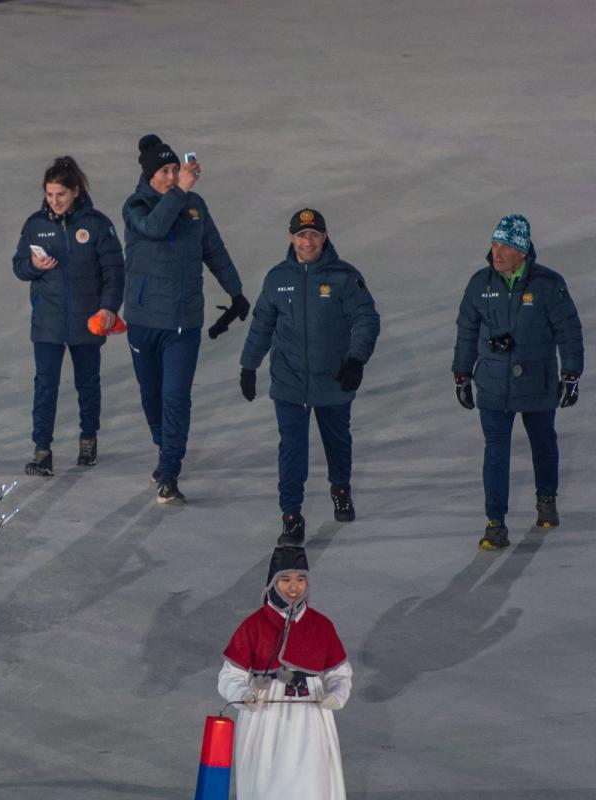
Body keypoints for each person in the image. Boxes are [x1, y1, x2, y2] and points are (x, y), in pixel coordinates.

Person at [239, 208, 380, 544]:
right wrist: (249, 365)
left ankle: (341, 488)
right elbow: (261, 324)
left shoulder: (345, 277)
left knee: (337, 441)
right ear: (291, 238)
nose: (308, 241)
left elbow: (366, 319)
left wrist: (356, 359)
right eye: (301, 235)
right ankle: (291, 516)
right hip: (289, 382)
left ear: (325, 237)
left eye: (314, 235)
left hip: (333, 379)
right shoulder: (278, 278)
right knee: (292, 450)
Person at [121, 134, 249, 504]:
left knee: (176, 396)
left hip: (183, 322)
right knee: (152, 395)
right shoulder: (135, 206)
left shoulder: (195, 206)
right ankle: (165, 449)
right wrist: (179, 193)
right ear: (149, 176)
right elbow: (155, 228)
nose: (171, 176)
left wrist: (236, 291)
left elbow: (215, 250)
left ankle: (170, 471)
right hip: (144, 321)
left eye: (175, 169)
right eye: (164, 171)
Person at [452, 213, 583, 550]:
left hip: (537, 385)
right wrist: (461, 374)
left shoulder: (548, 285)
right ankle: (495, 523)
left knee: (543, 443)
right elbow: (466, 332)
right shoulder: (480, 284)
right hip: (494, 386)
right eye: (495, 244)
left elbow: (568, 331)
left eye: (506, 246)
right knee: (495, 454)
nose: (497, 252)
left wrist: (571, 374)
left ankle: (546, 499)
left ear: (522, 251)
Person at [12, 156, 124, 476]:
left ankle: (88, 437)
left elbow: (114, 272)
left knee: (87, 383)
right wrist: (34, 266)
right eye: (49, 194)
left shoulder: (97, 225)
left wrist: (109, 308)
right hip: (47, 322)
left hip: (87, 320)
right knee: (45, 385)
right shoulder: (36, 224)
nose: (55, 201)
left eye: (60, 194)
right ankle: (42, 449)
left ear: (75, 191)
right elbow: (19, 266)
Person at [217, 546, 351, 800]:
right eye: (285, 579)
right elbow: (229, 676)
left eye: (301, 580)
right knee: (266, 783)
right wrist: (243, 694)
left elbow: (340, 674)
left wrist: (337, 693)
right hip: (265, 719)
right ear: (272, 583)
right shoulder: (254, 625)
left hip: (311, 722)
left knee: (311, 783)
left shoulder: (321, 625)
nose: (294, 587)